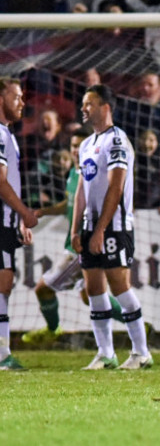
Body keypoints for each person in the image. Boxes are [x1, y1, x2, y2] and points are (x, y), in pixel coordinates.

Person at [21, 130, 130, 346]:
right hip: (75, 243)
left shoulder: (94, 172)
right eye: (72, 145)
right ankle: (135, 321)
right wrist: (45, 211)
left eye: (79, 145)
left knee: (43, 289)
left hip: (81, 245)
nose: (75, 150)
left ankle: (53, 330)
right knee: (89, 295)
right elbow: (70, 203)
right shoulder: (75, 172)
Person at [71, 84, 153, 370]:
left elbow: (116, 187)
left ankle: (141, 352)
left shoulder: (117, 141)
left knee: (119, 286)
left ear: (106, 107)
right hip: (90, 226)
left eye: (89, 103)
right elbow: (82, 189)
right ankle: (105, 353)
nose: (84, 108)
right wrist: (75, 229)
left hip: (114, 226)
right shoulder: (85, 145)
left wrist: (101, 229)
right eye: (83, 103)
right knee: (94, 289)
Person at [0, 77, 39, 371]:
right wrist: (24, 212)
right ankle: (2, 356)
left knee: (5, 284)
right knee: (2, 283)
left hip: (6, 220)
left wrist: (18, 221)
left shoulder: (8, 135)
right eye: (16, 96)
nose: (21, 102)